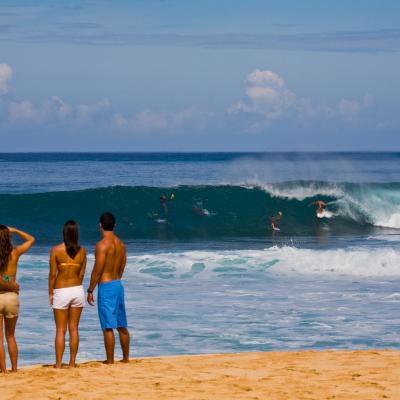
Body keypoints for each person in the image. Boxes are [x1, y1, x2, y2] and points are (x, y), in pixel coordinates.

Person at [87, 212, 130, 364]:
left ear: (100, 225)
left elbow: (97, 270)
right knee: (121, 324)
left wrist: (90, 290)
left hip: (106, 286)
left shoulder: (101, 245)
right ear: (115, 225)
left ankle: (110, 360)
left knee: (108, 325)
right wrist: (117, 277)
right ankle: (125, 359)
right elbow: (123, 263)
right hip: (118, 284)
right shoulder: (121, 244)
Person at [48, 220, 87, 369]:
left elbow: (52, 274)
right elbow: (82, 273)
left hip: (61, 290)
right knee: (74, 329)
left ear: (64, 233)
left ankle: (58, 364)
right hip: (77, 290)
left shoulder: (56, 250)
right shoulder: (83, 251)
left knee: (60, 329)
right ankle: (72, 363)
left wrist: (50, 293)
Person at [0, 225, 35, 373]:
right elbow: (31, 239)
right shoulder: (15, 252)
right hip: (12, 298)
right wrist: (14, 230)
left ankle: (4, 371)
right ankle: (14, 369)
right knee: (10, 336)